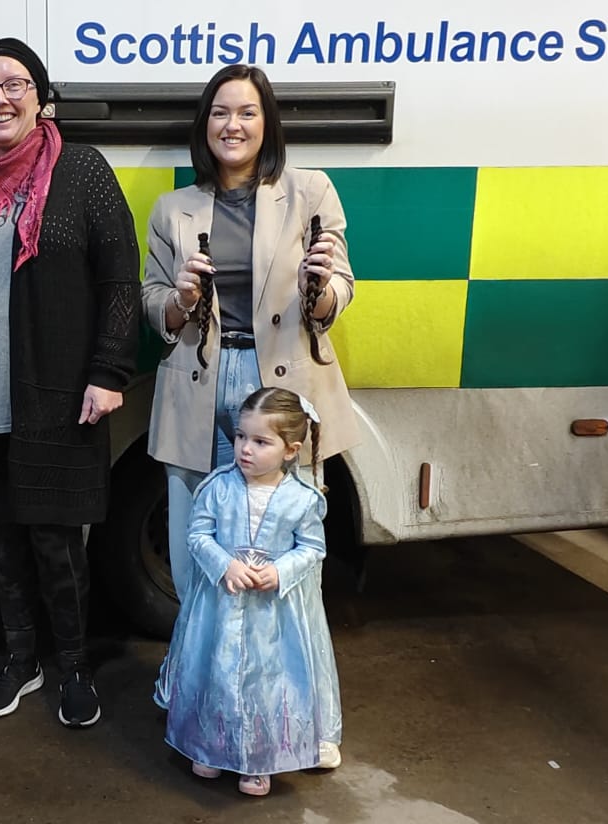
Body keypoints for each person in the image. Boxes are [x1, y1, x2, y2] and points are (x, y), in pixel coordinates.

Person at [0, 38, 139, 728]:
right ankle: (21, 660)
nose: (0, 97)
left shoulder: (80, 171)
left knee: (56, 544)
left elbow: (120, 277)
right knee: (6, 543)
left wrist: (107, 370)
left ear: (40, 98)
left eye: (15, 84)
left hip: (57, 398)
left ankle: (72, 666)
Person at [140, 64, 362, 641]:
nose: (231, 125)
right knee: (200, 551)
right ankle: (201, 686)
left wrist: (321, 294)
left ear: (268, 124)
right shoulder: (172, 208)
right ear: (203, 125)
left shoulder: (310, 191)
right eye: (219, 112)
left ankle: (288, 694)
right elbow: (152, 303)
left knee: (286, 550)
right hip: (199, 380)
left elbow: (341, 285)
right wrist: (180, 298)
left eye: (246, 112)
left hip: (283, 389)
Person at [154, 387, 342, 797]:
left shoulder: (302, 499)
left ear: (290, 450)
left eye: (260, 441)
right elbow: (198, 534)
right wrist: (225, 565)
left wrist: (279, 571)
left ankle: (259, 759)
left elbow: (312, 548)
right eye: (240, 437)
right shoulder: (217, 487)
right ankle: (208, 745)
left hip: (273, 617)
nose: (245, 449)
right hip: (220, 606)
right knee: (216, 669)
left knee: (268, 681)